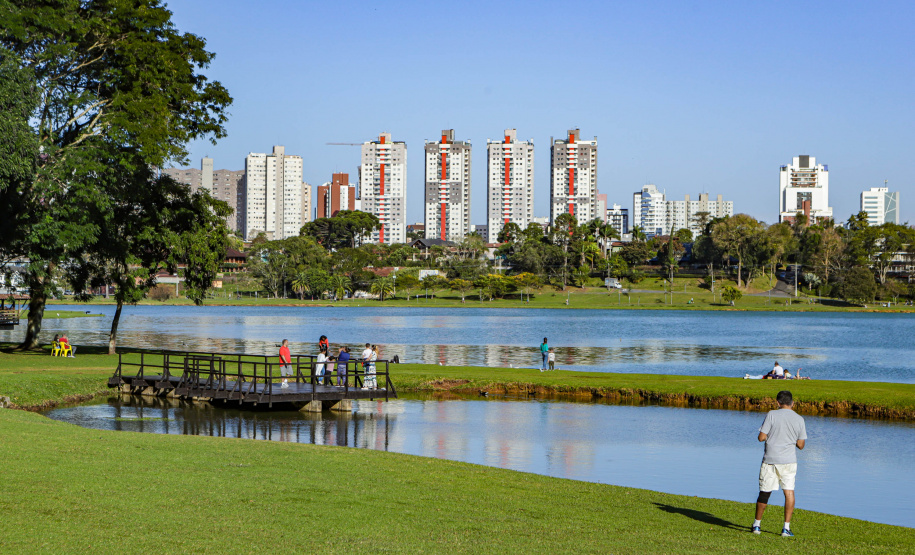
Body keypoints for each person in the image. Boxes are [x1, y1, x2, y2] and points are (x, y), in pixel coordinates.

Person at [752, 390, 807, 538]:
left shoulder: (771, 414)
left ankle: (757, 525)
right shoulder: (800, 419)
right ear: (792, 403)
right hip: (789, 461)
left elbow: (761, 437)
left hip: (770, 459)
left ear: (778, 403)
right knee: (789, 492)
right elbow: (801, 445)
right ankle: (785, 528)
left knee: (764, 492)